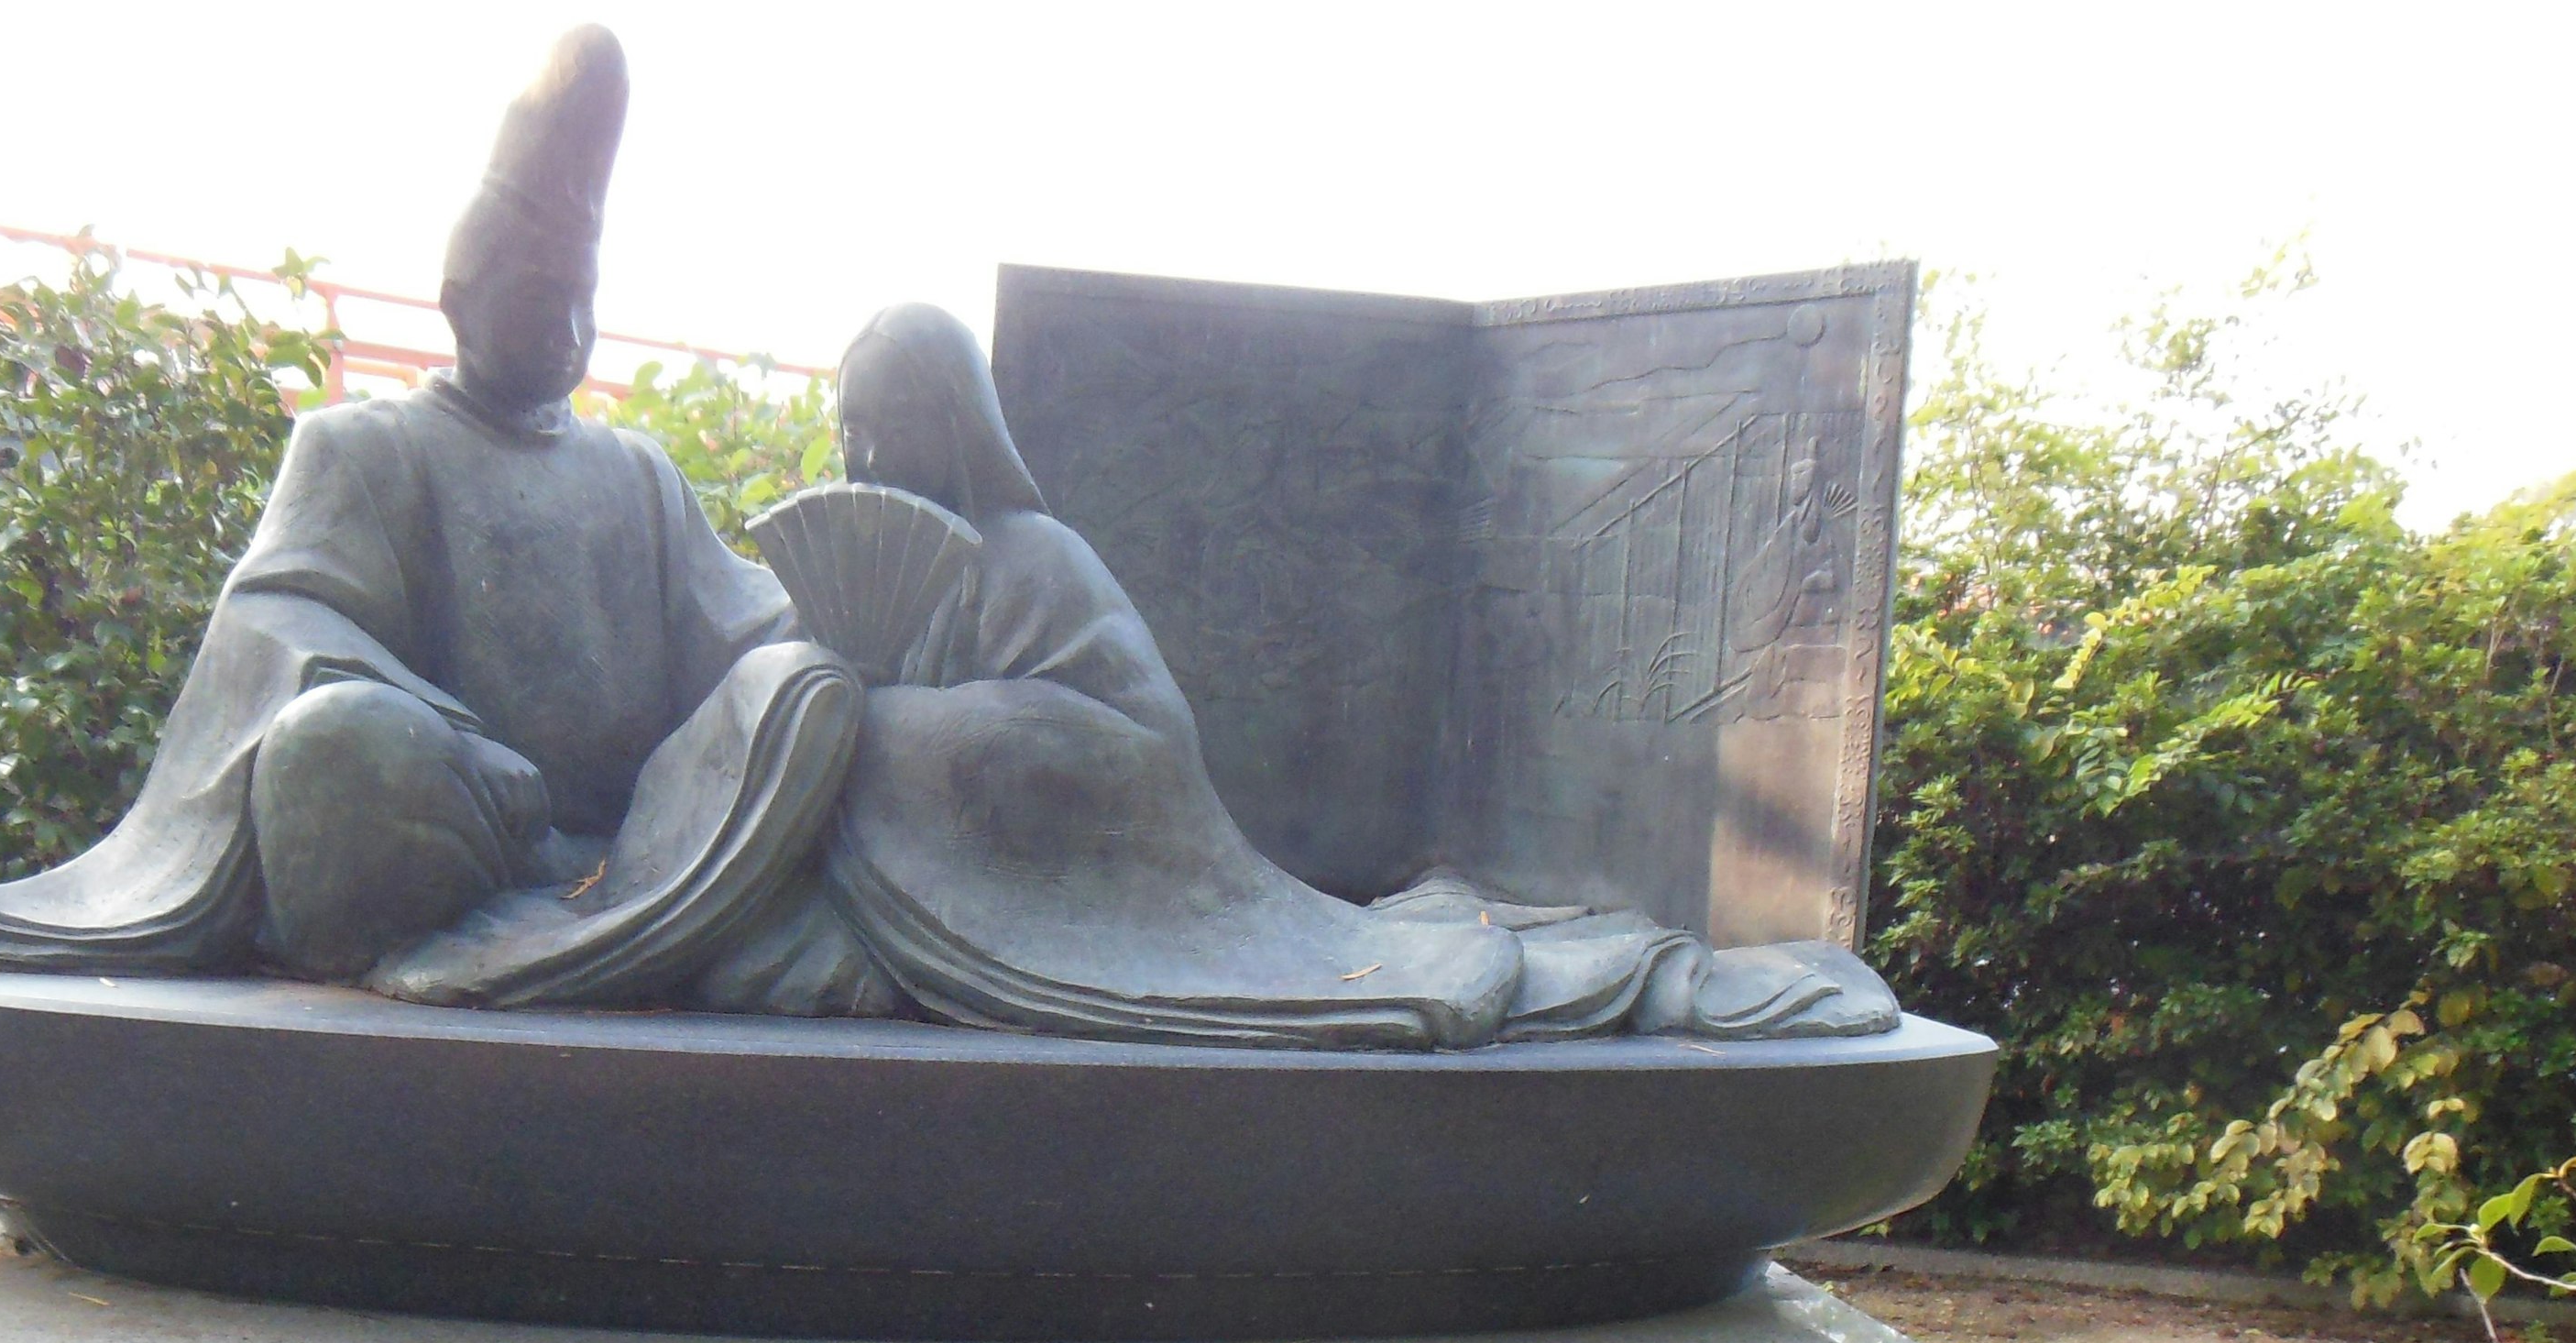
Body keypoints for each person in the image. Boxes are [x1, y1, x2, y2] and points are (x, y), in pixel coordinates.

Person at [0, 28, 853, 994]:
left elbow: (736, 624)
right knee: (332, 744)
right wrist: (449, 729)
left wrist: (849, 613)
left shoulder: (640, 473)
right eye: (538, 300)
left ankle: (617, 902)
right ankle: (529, 911)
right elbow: (272, 619)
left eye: (582, 300)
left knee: (802, 680)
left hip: (629, 843)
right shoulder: (366, 448)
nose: (567, 332)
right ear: (460, 299)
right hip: (451, 816)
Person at [814, 304, 1899, 1045]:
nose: (863, 457)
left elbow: (1132, 756)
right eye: (847, 428)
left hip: (1156, 896)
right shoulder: (873, 568)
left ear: (950, 420)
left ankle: (1628, 974)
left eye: (888, 423)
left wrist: (905, 727)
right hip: (963, 899)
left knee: (1392, 958)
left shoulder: (1036, 561)